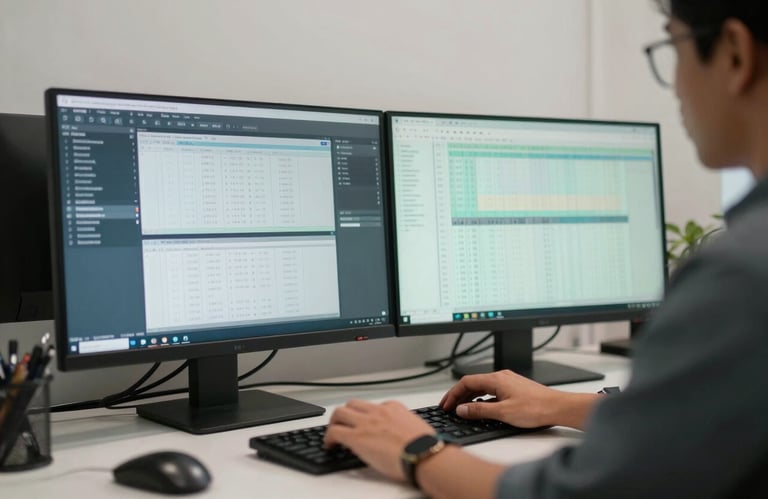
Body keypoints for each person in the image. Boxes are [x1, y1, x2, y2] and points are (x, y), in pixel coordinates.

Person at [323, 1, 768, 497]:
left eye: (674, 47)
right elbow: (707, 419)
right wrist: (557, 405)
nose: (677, 85)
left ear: (733, 54)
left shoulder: (742, 276)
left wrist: (417, 452)